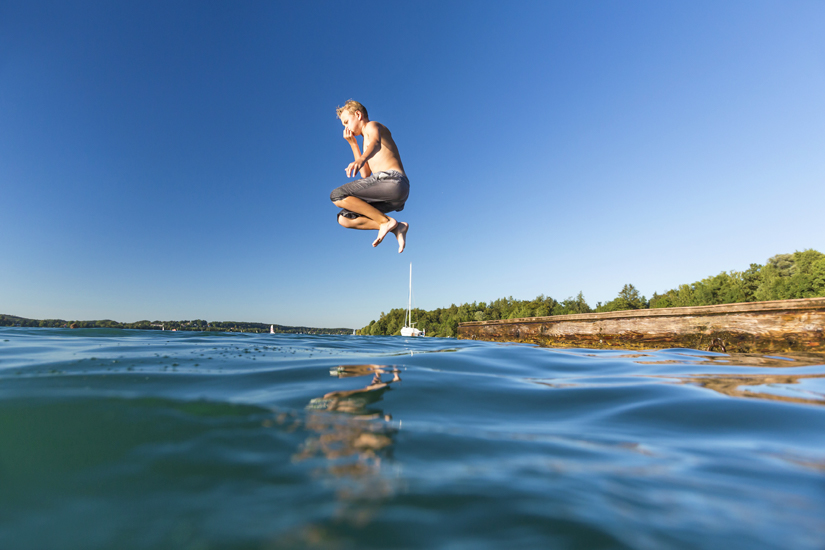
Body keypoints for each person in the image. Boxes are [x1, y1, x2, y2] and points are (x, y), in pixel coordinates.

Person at [330, 100, 410, 253]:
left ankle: (386, 222)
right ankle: (395, 226)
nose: (346, 128)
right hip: (390, 195)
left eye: (346, 122)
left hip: (393, 180)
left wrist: (360, 159)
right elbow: (365, 174)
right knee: (344, 218)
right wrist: (353, 145)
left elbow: (376, 142)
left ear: (358, 115)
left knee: (337, 195)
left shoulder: (372, 126)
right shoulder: (363, 139)